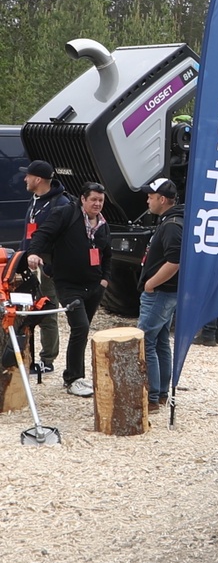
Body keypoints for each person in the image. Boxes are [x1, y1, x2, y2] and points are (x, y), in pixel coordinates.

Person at [26, 182, 112, 397]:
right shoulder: (65, 214)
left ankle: (76, 375)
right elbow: (42, 234)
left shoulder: (102, 224)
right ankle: (74, 377)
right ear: (83, 199)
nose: (97, 204)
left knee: (81, 332)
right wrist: (33, 254)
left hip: (94, 285)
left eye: (100, 200)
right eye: (93, 199)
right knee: (80, 327)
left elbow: (107, 254)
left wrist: (105, 280)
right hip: (68, 284)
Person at [135, 178, 183, 412]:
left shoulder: (172, 225)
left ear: (162, 199)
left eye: (150, 196)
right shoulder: (172, 220)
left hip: (161, 293)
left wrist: (151, 284)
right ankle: (161, 393)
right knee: (161, 341)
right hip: (166, 293)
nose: (148, 200)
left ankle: (152, 397)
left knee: (147, 341)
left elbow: (175, 261)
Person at [18, 159, 70, 374]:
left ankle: (47, 360)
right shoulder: (36, 199)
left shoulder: (61, 204)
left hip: (47, 265)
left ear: (38, 179)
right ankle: (24, 356)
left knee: (47, 308)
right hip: (28, 261)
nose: (24, 179)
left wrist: (48, 262)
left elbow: (62, 238)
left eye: (28, 175)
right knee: (25, 309)